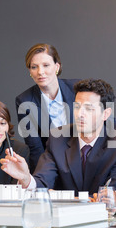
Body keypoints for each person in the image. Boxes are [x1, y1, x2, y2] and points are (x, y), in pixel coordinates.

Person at [2, 79, 116, 196]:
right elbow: (42, 182)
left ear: (106, 114)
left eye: (89, 109)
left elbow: (113, 194)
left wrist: (63, 197)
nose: (80, 114)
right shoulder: (58, 137)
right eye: (77, 107)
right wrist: (26, 178)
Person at [15, 43, 80, 172]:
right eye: (34, 67)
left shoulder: (78, 88)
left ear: (57, 66)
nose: (40, 72)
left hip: (86, 161)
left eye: (46, 65)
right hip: (52, 166)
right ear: (29, 71)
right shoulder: (24, 101)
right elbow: (35, 148)